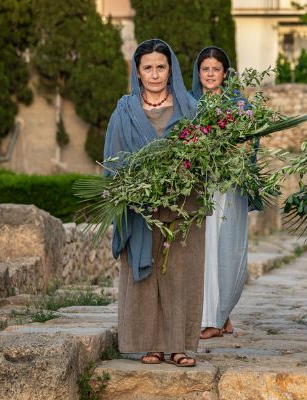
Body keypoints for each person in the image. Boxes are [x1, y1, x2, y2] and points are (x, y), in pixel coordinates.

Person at [103, 39, 203, 367]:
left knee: (179, 275)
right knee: (143, 277)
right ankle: (150, 344)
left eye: (161, 67)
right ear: (138, 72)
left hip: (182, 207)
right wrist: (127, 189)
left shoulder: (190, 107)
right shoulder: (125, 110)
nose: (155, 74)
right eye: (148, 68)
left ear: (170, 69)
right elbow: (114, 157)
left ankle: (179, 346)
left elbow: (203, 156)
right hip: (140, 209)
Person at [189, 46, 249, 339]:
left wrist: (233, 151)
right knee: (206, 248)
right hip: (201, 188)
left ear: (225, 74)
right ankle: (212, 317)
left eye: (216, 69)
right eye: (205, 69)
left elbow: (250, 144)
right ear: (198, 73)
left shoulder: (239, 106)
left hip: (229, 186)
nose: (210, 74)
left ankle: (222, 312)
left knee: (229, 248)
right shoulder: (189, 106)